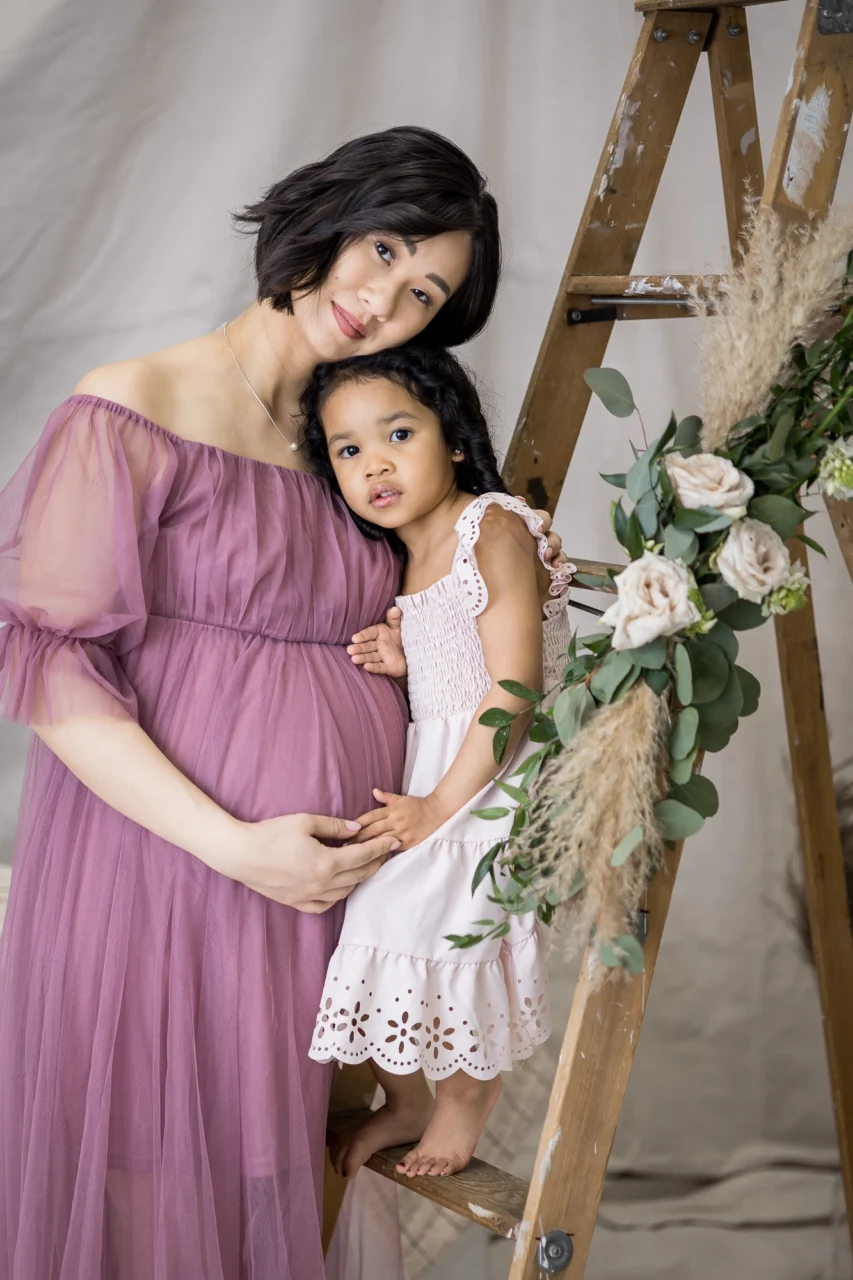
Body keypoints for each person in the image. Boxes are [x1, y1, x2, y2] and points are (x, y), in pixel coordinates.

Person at [0, 126, 566, 1278]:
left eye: (424, 294)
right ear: (324, 218)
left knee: (280, 1163)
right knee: (149, 1169)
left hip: (323, 886)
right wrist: (235, 845)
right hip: (167, 863)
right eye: (383, 249)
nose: (382, 299)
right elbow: (49, 663)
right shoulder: (133, 404)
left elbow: (457, 613)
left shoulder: (359, 453)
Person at [302, 344, 571, 1179]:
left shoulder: (489, 525)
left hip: (492, 775)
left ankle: (461, 1104)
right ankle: (407, 1098)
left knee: (454, 939)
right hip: (440, 769)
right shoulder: (406, 553)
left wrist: (438, 808)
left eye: (397, 434)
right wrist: (408, 651)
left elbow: (515, 683)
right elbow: (461, 642)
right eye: (348, 450)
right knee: (375, 926)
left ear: (451, 438)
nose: (373, 463)